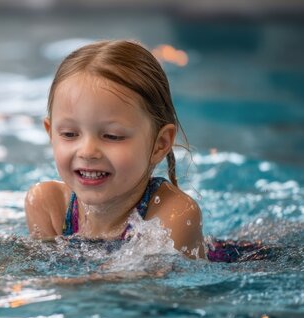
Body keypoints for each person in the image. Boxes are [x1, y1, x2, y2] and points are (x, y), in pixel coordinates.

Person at [24, 40, 205, 258]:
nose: (87, 151)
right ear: (50, 133)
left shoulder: (172, 215)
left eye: (112, 136)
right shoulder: (49, 205)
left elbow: (138, 289)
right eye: (70, 134)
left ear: (160, 144)